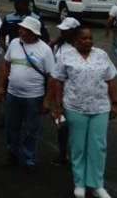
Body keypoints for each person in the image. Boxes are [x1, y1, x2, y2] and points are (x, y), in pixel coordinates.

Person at [50, 28, 117, 198]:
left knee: (98, 146)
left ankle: (96, 185)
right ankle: (80, 183)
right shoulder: (66, 56)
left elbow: (110, 80)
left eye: (90, 38)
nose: (88, 41)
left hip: (100, 107)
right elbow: (58, 81)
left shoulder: (101, 55)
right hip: (75, 107)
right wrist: (58, 106)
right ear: (75, 41)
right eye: (83, 38)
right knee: (78, 146)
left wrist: (115, 103)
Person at [0, 16, 54, 169]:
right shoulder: (15, 43)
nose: (20, 31)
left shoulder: (45, 49)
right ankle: (12, 153)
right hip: (12, 94)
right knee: (11, 126)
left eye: (24, 29)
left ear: (33, 32)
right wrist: (1, 87)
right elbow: (6, 65)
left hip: (34, 97)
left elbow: (51, 77)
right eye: (21, 29)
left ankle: (29, 158)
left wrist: (47, 100)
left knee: (32, 129)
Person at [50, 17, 81, 166]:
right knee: (61, 124)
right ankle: (63, 154)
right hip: (59, 88)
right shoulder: (59, 45)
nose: (62, 32)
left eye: (66, 30)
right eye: (61, 30)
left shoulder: (80, 47)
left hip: (75, 91)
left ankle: (77, 155)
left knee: (74, 125)